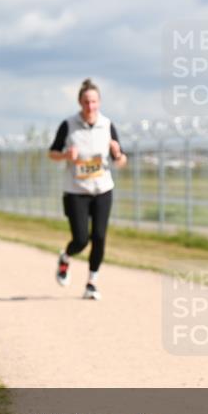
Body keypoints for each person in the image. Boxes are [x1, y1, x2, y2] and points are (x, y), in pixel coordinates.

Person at [47, 78, 127, 300]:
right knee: (81, 239)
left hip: (102, 189)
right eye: (85, 102)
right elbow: (52, 153)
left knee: (99, 236)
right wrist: (64, 155)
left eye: (93, 102)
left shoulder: (107, 125)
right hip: (76, 191)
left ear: (99, 102)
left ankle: (92, 282)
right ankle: (65, 257)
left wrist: (118, 153)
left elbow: (120, 162)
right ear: (79, 102)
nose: (90, 106)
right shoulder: (69, 125)